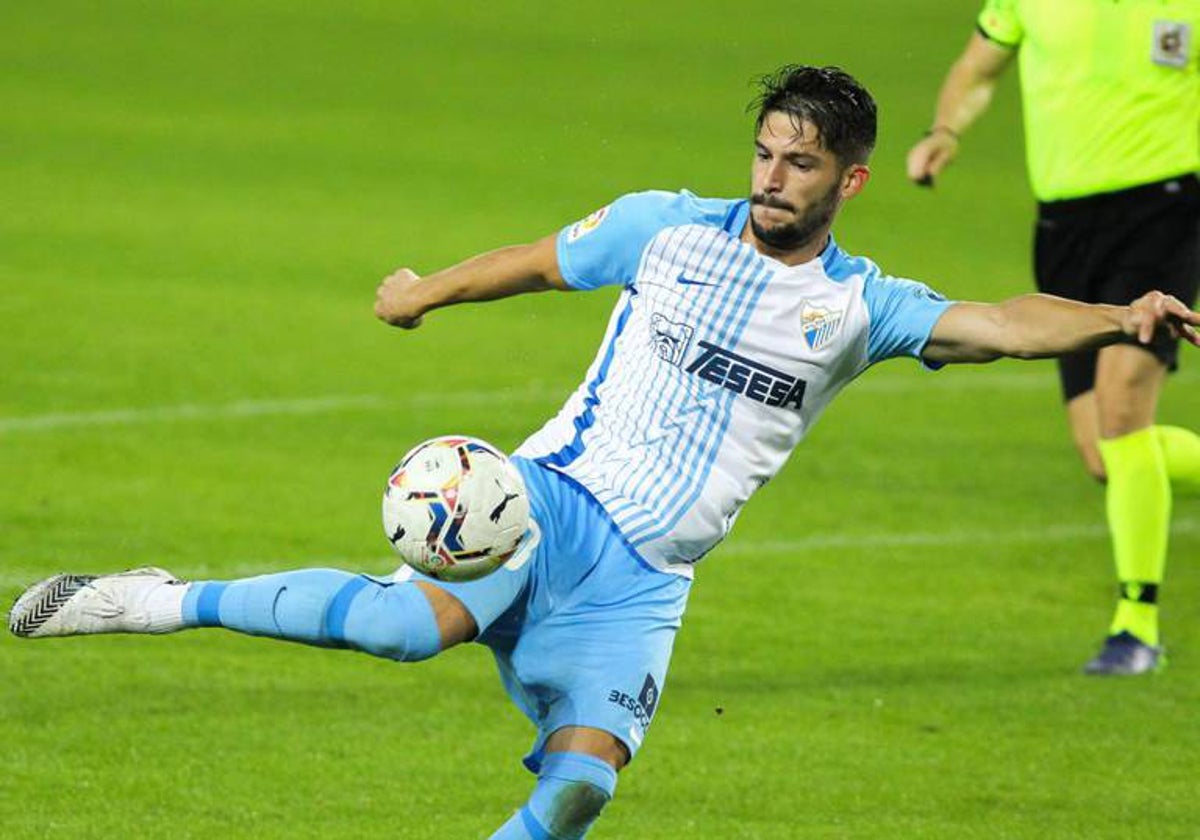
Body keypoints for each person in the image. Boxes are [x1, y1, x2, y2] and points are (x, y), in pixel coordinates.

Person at [10, 65, 1200, 838]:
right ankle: (157, 602)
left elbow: (998, 323)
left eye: (800, 163)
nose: (773, 179)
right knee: (399, 628)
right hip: (552, 502)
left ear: (850, 178)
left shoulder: (862, 307)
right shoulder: (665, 227)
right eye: (765, 155)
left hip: (646, 580)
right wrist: (422, 293)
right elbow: (534, 260)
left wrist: (1114, 315)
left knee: (578, 791)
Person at [906, 1, 1200, 676]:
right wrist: (945, 129)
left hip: (1166, 208)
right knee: (1105, 451)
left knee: (1124, 409)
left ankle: (1137, 626)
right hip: (1065, 227)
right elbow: (979, 67)